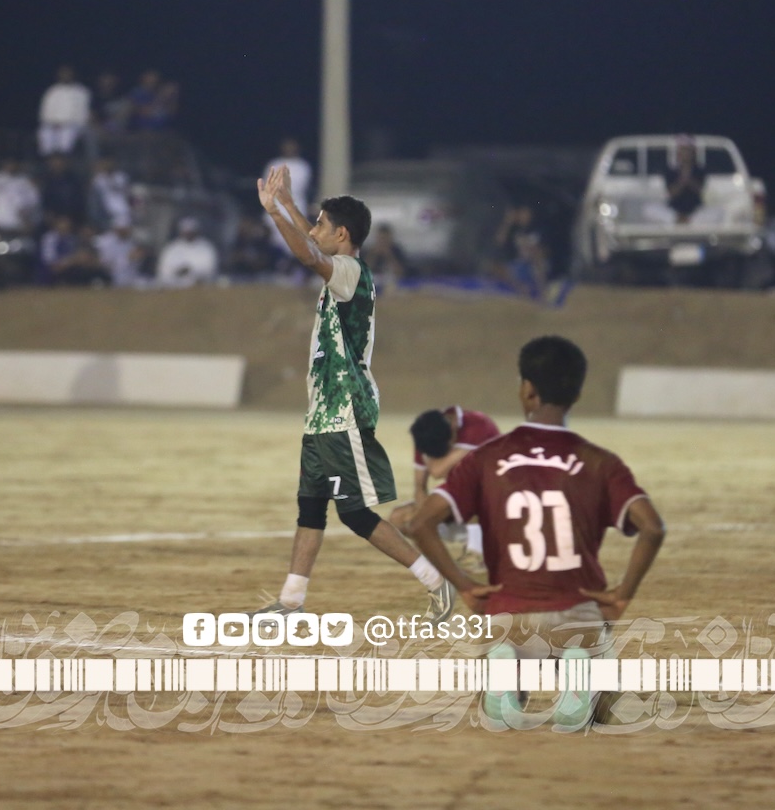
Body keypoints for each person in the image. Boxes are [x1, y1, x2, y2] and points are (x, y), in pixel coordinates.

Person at [409, 336, 665, 727]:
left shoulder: (485, 458)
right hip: (576, 611)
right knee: (602, 700)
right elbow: (652, 528)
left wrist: (465, 585)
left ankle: (507, 676)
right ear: (576, 394)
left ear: (527, 390)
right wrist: (621, 595)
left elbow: (421, 523)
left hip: (507, 614)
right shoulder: (600, 462)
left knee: (496, 677)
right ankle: (580, 675)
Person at [250, 163, 454, 619]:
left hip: (345, 409)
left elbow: (308, 255)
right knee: (310, 508)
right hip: (323, 412)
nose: (313, 229)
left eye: (321, 223)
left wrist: (276, 214)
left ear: (341, 234)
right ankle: (291, 601)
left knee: (356, 514)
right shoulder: (341, 267)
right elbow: (311, 244)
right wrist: (287, 205)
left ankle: (437, 581)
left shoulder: (349, 272)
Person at [390, 406, 501, 568]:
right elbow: (420, 487)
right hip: (460, 509)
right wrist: (425, 520)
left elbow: (437, 471)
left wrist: (426, 455)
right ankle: (442, 552)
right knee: (399, 518)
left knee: (471, 487)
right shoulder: (426, 435)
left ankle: (477, 552)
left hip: (494, 509)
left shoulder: (477, 425)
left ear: (453, 427)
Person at [261, 138, 313, 244]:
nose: (289, 149)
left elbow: (298, 187)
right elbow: (266, 185)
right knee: (274, 241)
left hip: (296, 207)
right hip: (275, 206)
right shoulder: (274, 164)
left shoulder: (302, 166)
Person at [38, 66, 91, 157]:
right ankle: (49, 158)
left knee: (66, 133)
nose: (65, 76)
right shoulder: (52, 91)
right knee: (44, 132)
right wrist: (53, 123)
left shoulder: (81, 91)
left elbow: (82, 113)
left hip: (73, 125)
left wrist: (65, 123)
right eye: (63, 74)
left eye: (68, 74)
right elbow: (45, 111)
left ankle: (63, 158)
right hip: (53, 124)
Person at [155, 217, 218, 287]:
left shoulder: (206, 248)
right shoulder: (171, 248)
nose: (189, 234)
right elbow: (163, 273)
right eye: (186, 232)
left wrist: (192, 272)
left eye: (191, 232)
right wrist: (179, 272)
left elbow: (210, 270)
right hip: (175, 287)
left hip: (199, 287)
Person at [0, 160, 40, 235]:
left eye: (12, 163)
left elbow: (34, 201)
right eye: (8, 163)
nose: (10, 166)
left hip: (18, 226)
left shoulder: (25, 181)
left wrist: (26, 215)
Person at [38, 154, 86, 226]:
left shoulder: (74, 180)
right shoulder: (47, 180)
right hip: (52, 217)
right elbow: (45, 200)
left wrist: (67, 217)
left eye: (59, 162)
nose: (56, 164)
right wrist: (50, 214)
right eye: (54, 162)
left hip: (72, 217)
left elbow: (78, 200)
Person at [365, 224, 408, 293]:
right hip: (375, 283)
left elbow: (401, 273)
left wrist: (389, 256)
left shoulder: (396, 250)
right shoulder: (370, 251)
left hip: (393, 282)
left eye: (385, 238)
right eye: (381, 238)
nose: (383, 241)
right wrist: (373, 255)